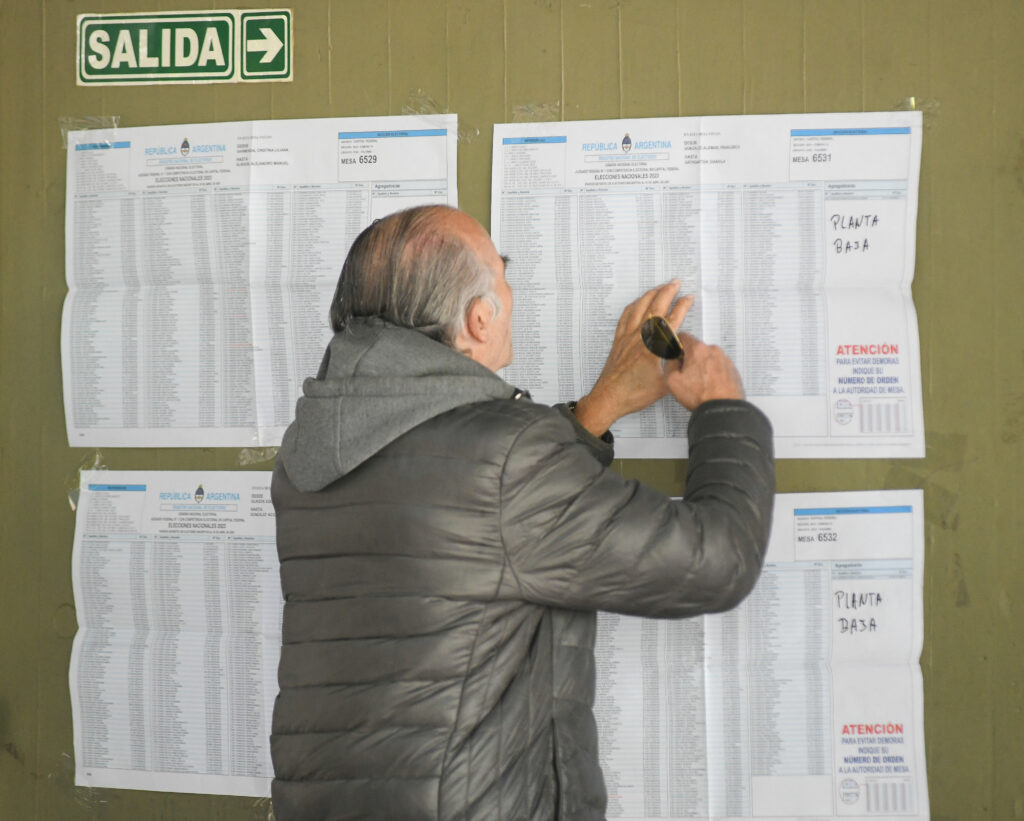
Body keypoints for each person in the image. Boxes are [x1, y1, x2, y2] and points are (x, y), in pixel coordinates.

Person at [270, 205, 775, 820]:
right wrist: (724, 410)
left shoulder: (307, 453)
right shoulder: (506, 461)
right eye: (502, 271)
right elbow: (716, 559)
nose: (510, 287)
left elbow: (472, 515)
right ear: (480, 320)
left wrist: (600, 406)